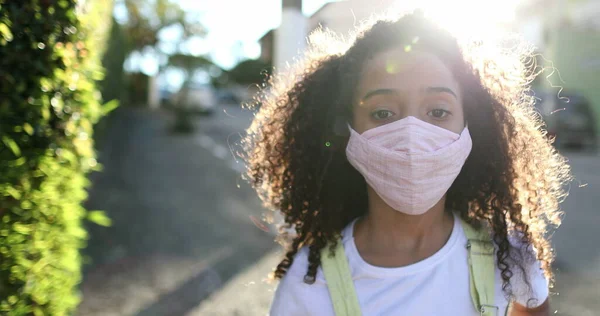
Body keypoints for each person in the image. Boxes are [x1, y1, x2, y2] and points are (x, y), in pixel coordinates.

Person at [244, 12, 571, 316]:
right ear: (347, 131)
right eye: (383, 113)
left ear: (471, 127)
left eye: (438, 112)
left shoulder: (510, 255)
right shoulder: (309, 281)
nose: (412, 137)